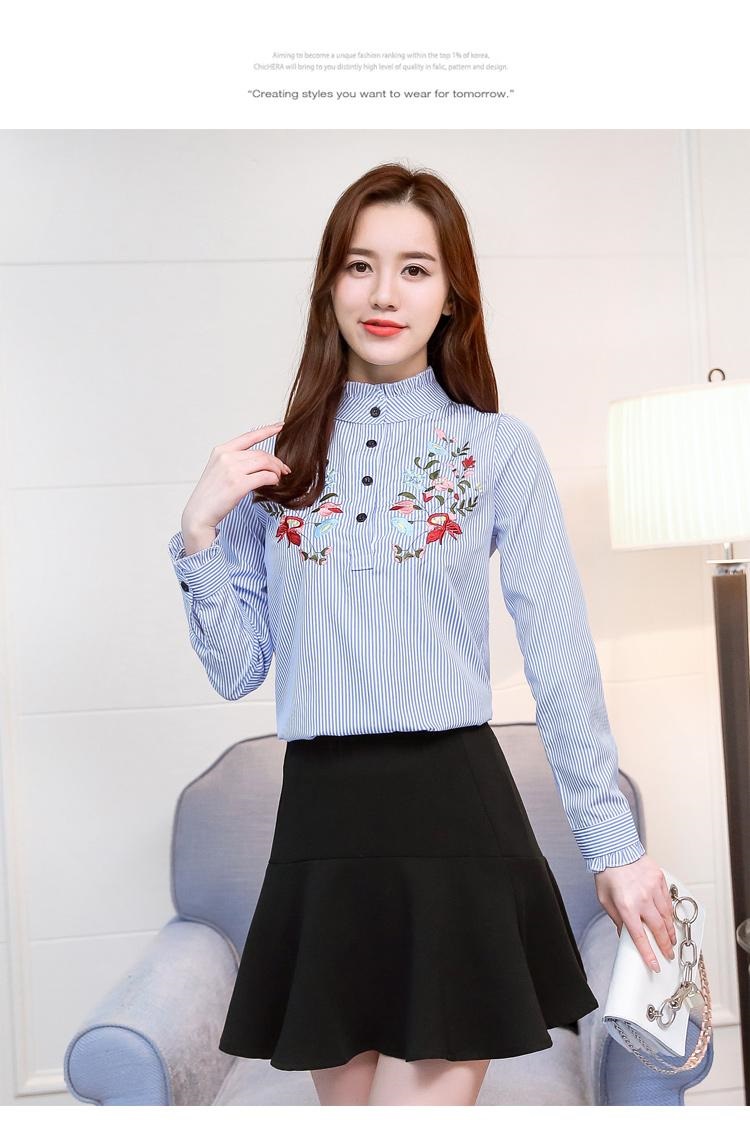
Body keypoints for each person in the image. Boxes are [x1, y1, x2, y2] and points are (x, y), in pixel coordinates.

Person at [167, 162, 677, 1106]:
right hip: (320, 825)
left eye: (414, 269)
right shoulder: (273, 466)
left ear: (451, 296)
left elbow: (560, 656)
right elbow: (237, 668)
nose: (383, 293)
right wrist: (199, 532)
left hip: (452, 816)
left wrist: (614, 845)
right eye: (360, 265)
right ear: (329, 284)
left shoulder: (497, 450)